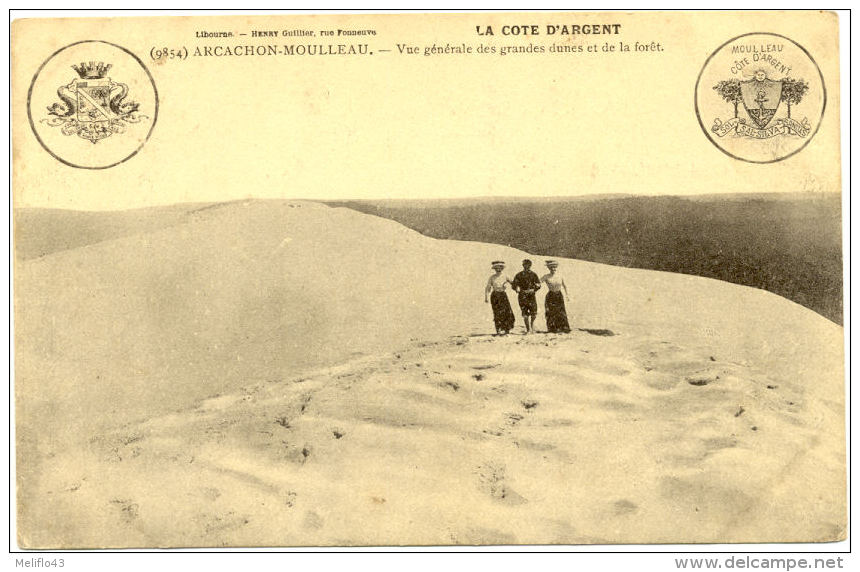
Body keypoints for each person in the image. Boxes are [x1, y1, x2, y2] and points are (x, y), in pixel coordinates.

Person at [484, 261, 516, 335]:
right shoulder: (492, 277)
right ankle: (498, 329)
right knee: (497, 312)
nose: (498, 269)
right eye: (496, 268)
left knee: (507, 312)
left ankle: (506, 329)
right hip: (495, 295)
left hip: (503, 295)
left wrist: (511, 287)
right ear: (494, 269)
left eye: (500, 267)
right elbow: (488, 287)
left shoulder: (506, 276)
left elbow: (513, 283)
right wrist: (486, 297)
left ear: (502, 268)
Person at [511, 259, 541, 333]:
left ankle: (532, 325)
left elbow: (538, 284)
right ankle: (528, 329)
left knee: (534, 313)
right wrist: (516, 288)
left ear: (530, 266)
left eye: (528, 265)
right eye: (525, 265)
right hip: (522, 295)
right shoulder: (519, 275)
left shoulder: (534, 274)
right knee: (524, 313)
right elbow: (514, 284)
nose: (527, 266)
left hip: (531, 295)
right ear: (523, 265)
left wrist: (534, 289)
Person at [541, 260, 571, 333]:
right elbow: (538, 282)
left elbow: (565, 286)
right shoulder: (546, 276)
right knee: (551, 312)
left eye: (554, 267)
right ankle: (553, 328)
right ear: (549, 268)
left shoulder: (560, 276)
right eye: (551, 268)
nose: (553, 269)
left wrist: (567, 295)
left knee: (560, 311)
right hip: (550, 295)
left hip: (559, 295)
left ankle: (563, 328)